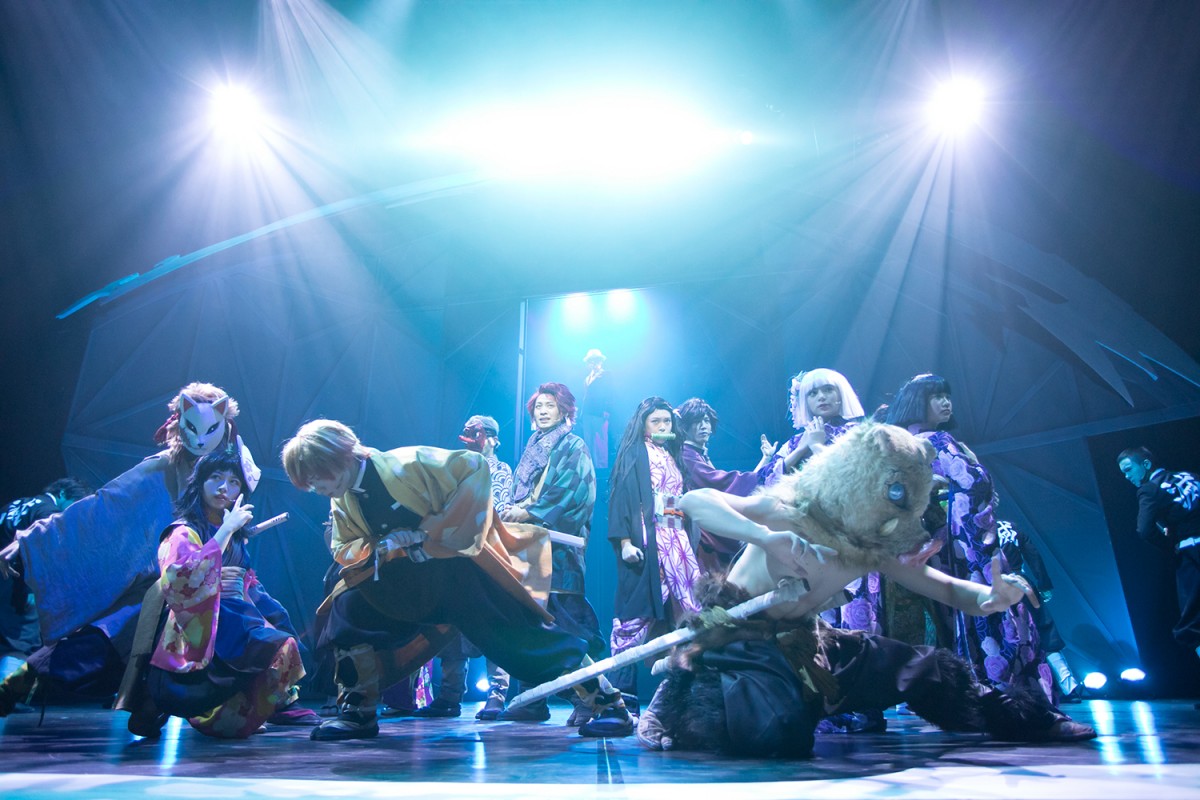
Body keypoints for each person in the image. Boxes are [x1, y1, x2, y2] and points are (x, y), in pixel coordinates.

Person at [635, 422, 1095, 757]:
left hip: (811, 645)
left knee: (927, 667)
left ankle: (1021, 716)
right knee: (776, 731)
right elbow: (696, 501)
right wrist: (764, 536)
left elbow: (951, 591)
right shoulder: (789, 512)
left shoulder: (869, 549)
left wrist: (991, 599)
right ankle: (682, 690)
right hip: (744, 643)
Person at [281, 419, 633, 741]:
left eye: (315, 477)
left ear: (338, 457)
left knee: (526, 637)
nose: (315, 488)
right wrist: (382, 546)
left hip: (461, 572)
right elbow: (343, 545)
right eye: (308, 482)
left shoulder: (408, 463)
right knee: (348, 609)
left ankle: (610, 706)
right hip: (408, 582)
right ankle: (357, 712)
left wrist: (427, 533)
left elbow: (474, 468)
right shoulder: (342, 499)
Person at [0, 383, 257, 716]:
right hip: (156, 589)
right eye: (192, 427)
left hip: (203, 591)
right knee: (102, 644)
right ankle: (18, 683)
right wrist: (32, 541)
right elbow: (104, 506)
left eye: (210, 429)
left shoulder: (229, 472)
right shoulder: (162, 468)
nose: (199, 439)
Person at [126, 449, 313, 738]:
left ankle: (247, 711)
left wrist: (270, 612)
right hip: (200, 618)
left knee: (283, 643)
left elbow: (246, 580)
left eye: (233, 482)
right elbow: (181, 580)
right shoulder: (183, 532)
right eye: (215, 478)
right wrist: (225, 531)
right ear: (200, 482)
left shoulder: (236, 535)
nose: (224, 487)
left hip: (238, 612)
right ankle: (162, 701)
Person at [886, 374, 1052, 699]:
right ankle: (1004, 686)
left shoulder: (915, 443)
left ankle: (977, 686)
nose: (946, 402)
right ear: (916, 402)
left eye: (948, 396)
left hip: (942, 541)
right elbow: (973, 484)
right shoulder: (930, 441)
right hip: (958, 542)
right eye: (937, 396)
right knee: (985, 601)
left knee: (957, 609)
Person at [497, 383, 608, 726]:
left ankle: (591, 698)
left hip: (558, 550)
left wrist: (530, 512)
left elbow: (572, 492)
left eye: (550, 405)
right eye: (538, 406)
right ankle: (532, 699)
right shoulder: (533, 447)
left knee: (564, 622)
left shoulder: (573, 445)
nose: (543, 411)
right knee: (528, 620)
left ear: (564, 410)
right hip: (527, 548)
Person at [606, 398, 704, 713]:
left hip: (676, 539)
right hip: (646, 540)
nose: (663, 426)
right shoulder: (635, 453)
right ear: (644, 424)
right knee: (635, 615)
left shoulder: (674, 455)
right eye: (656, 421)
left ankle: (685, 696)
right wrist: (624, 542)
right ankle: (622, 699)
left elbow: (680, 501)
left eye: (667, 421)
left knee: (689, 610)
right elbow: (622, 498)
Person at [417, 414, 515, 720]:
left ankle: (496, 694)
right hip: (455, 554)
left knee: (492, 624)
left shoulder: (500, 469)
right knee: (452, 626)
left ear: (493, 439)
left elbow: (499, 510)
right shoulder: (456, 468)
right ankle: (449, 695)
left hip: (487, 553)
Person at [1117, 446, 1200, 664]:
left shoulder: (1150, 489)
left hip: (1192, 554)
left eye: (1128, 470)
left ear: (1145, 464)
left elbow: (1144, 530)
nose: (1127, 477)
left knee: (1192, 625)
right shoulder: (1190, 476)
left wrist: (1170, 544)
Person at [675, 398, 773, 574]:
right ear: (685, 426)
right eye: (696, 421)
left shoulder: (698, 454)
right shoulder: (687, 455)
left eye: (706, 421)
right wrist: (773, 469)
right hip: (703, 537)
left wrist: (765, 460)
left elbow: (731, 487)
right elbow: (722, 484)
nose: (703, 426)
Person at [0, 479, 91, 669]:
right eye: (74, 504)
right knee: (18, 647)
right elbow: (54, 530)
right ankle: (9, 685)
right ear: (63, 493)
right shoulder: (49, 511)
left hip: (4, 588)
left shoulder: (15, 505)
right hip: (16, 590)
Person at [996, 519, 1081, 699]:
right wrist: (1043, 584)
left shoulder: (975, 530)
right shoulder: (1011, 527)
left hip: (993, 588)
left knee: (1008, 636)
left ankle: (1012, 688)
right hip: (1021, 584)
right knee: (1045, 632)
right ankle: (1069, 686)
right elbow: (1032, 554)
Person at [579, 349, 614, 469]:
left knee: (600, 442)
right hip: (587, 413)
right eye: (591, 361)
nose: (593, 363)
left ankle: (601, 468)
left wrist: (607, 410)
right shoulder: (587, 378)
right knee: (588, 442)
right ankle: (590, 467)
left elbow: (610, 393)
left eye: (596, 360)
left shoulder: (606, 375)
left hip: (600, 413)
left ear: (600, 361)